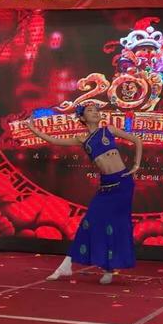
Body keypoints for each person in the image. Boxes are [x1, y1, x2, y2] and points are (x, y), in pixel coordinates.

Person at [26, 103, 142, 285]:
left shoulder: (109, 130)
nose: (95, 112)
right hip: (106, 185)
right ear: (82, 118)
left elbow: (137, 140)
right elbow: (53, 140)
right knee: (89, 222)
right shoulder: (82, 139)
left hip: (123, 183)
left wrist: (136, 165)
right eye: (90, 111)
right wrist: (33, 128)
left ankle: (108, 269)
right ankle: (67, 265)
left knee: (116, 226)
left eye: (96, 110)